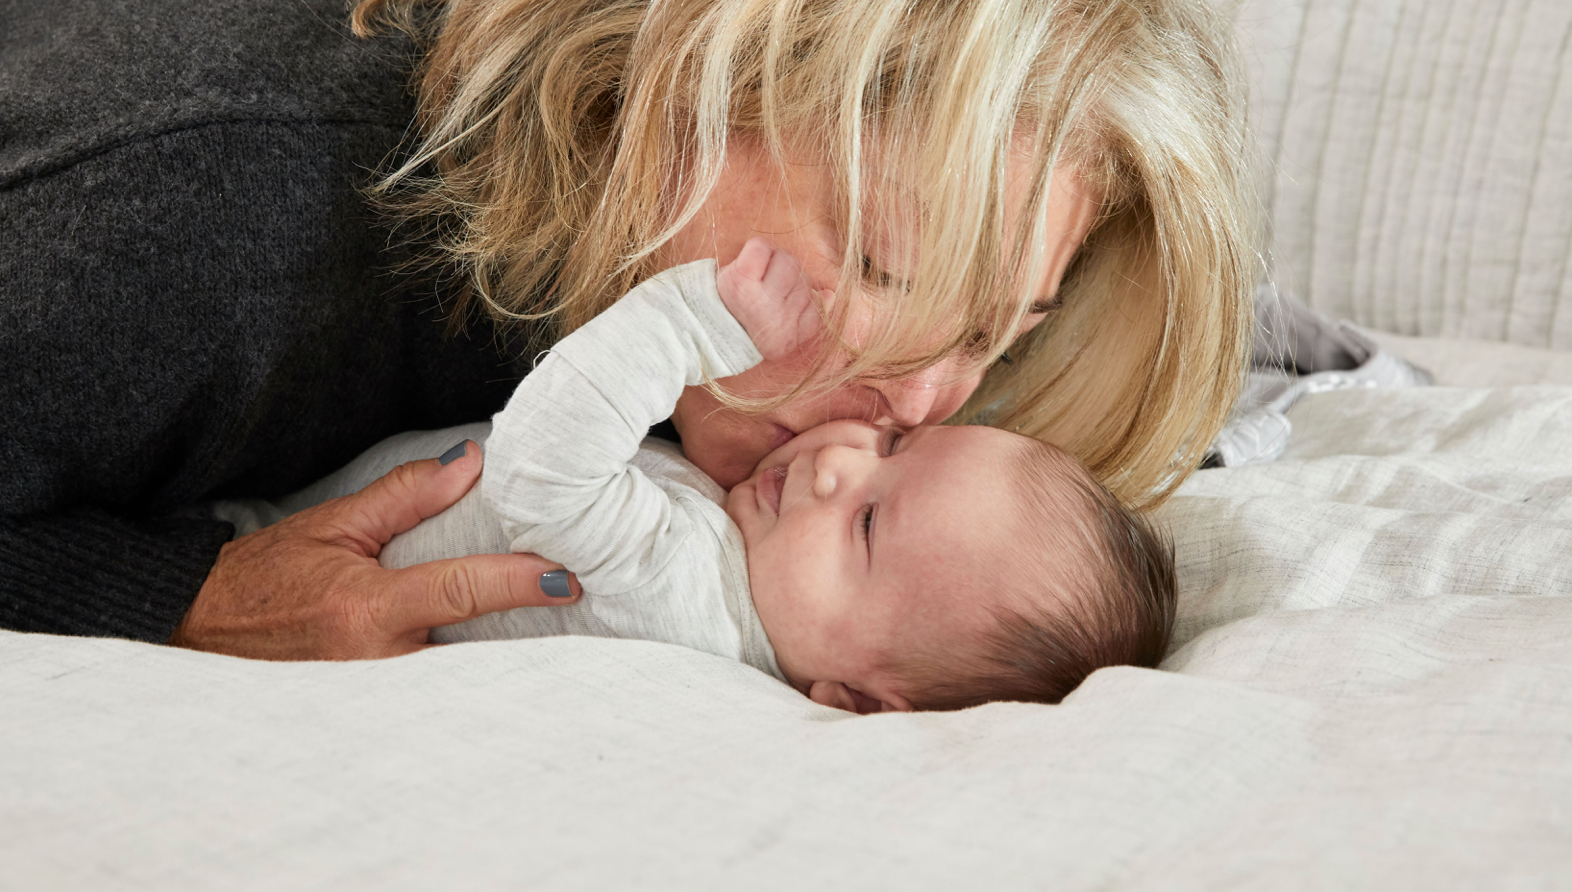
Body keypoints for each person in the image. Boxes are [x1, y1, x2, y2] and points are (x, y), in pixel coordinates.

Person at [0, 0, 1254, 659]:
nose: (920, 407)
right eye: (881, 262)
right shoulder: (212, 207)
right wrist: (173, 591)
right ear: (679, 94)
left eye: (999, 328)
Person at [216, 239, 1174, 711]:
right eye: (895, 451)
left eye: (870, 528)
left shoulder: (679, 596)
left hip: (264, 535)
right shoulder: (758, 571)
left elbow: (544, 459)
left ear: (854, 700)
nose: (842, 458)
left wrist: (692, 325)